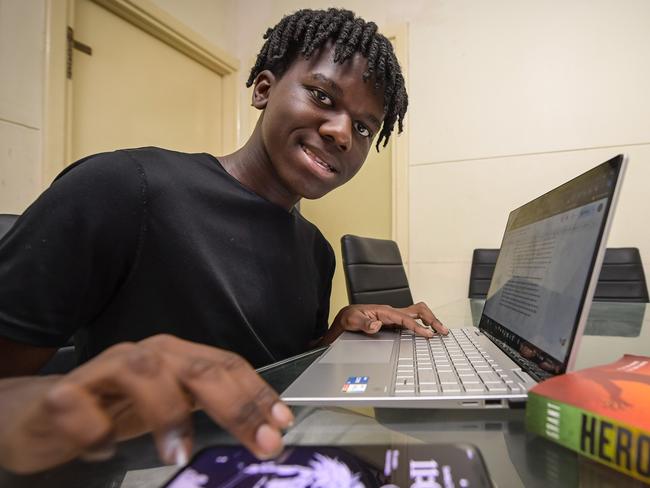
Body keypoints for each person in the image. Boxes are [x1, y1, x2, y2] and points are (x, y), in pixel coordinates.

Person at [0, 8, 446, 474]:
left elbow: (271, 370)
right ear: (263, 89)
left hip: (272, 460)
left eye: (363, 127)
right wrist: (81, 399)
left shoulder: (316, 249)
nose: (340, 133)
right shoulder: (122, 187)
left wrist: (335, 338)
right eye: (321, 95)